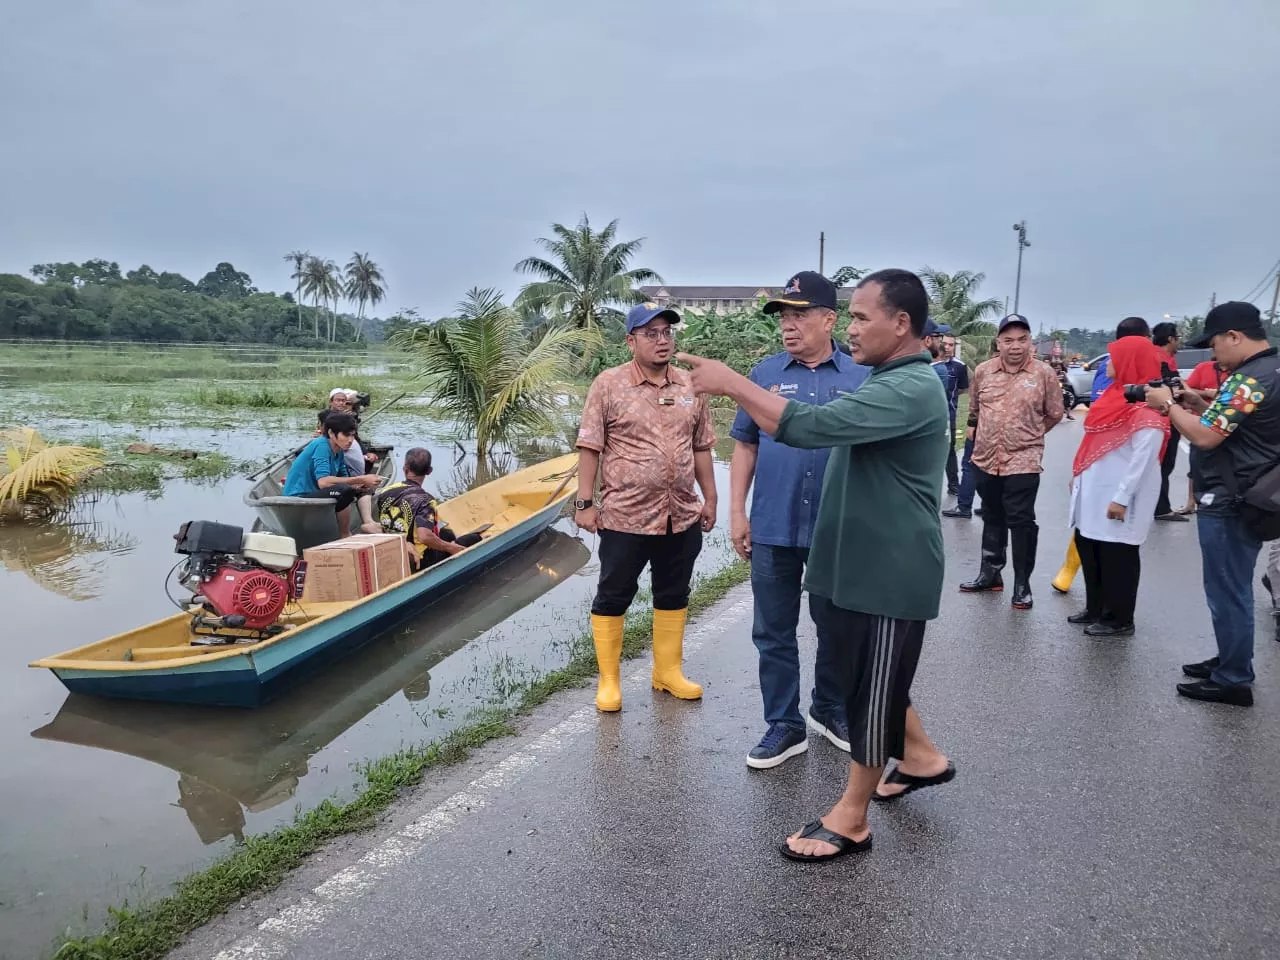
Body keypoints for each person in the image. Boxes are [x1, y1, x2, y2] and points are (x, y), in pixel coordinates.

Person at [678, 268, 954, 862]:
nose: (853, 329)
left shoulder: (908, 387)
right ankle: (924, 758)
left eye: (860, 317)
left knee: (871, 692)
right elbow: (772, 435)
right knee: (864, 671)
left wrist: (730, 383)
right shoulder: (886, 379)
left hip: (887, 572)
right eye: (850, 316)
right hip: (856, 563)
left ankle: (851, 817)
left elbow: (814, 426)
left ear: (901, 323)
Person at [729, 271, 870, 769]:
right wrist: (737, 513)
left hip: (837, 528)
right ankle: (783, 724)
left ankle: (828, 708)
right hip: (773, 524)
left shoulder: (860, 378)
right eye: (784, 316)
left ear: (829, 319)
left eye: (800, 314)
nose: (789, 325)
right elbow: (745, 445)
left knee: (835, 624)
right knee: (773, 629)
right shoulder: (763, 373)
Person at [575, 302, 717, 713]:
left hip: (681, 513)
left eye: (667, 333)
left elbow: (703, 446)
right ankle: (609, 680)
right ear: (630, 340)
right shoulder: (609, 384)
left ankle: (667, 672)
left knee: (673, 592)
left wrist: (711, 497)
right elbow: (590, 446)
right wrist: (585, 503)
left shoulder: (691, 385)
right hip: (625, 515)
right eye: (651, 333)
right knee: (614, 593)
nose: (662, 340)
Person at [1146, 302, 1278, 706]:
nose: (1213, 352)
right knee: (1231, 586)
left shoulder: (1248, 380)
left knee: (1227, 590)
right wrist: (1203, 406)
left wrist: (1166, 405)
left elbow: (1205, 438)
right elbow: (1236, 426)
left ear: (1235, 336)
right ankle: (1231, 657)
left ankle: (1233, 678)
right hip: (1253, 491)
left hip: (1230, 497)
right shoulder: (1269, 372)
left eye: (1216, 343)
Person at [958, 314, 1065, 609]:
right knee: (992, 515)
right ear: (998, 343)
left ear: (1030, 342)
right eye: (1008, 340)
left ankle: (1022, 584)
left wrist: (1031, 435)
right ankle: (990, 574)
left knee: (1020, 520)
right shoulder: (983, 371)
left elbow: (1055, 413)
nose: (1015, 346)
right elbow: (977, 410)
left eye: (1022, 340)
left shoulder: (1043, 374)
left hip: (1024, 459)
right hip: (986, 458)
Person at [1067, 336, 1170, 636]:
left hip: (1121, 497)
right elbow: (1091, 444)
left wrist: (1122, 498)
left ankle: (1119, 618)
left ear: (1130, 362)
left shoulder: (1147, 410)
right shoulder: (1114, 398)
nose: (1108, 364)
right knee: (1090, 546)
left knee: (1118, 556)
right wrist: (1079, 473)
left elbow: (1143, 460)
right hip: (1095, 492)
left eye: (1113, 358)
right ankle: (1096, 608)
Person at [376, 447, 483, 570]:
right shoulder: (425, 500)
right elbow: (424, 536)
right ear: (429, 471)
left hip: (394, 547)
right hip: (420, 559)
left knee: (446, 534)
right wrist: (451, 548)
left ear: (405, 469)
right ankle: (480, 540)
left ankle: (452, 538)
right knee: (474, 538)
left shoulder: (385, 491)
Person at [282, 412, 382, 537]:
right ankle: (345, 534)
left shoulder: (339, 450)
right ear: (330, 433)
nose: (350, 440)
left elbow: (345, 477)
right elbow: (323, 482)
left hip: (315, 493)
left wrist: (358, 485)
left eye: (352, 435)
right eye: (346, 435)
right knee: (344, 491)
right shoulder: (322, 445)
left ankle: (365, 524)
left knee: (356, 488)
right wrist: (360, 478)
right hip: (299, 497)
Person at [943, 338, 996, 520]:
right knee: (993, 465)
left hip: (982, 426)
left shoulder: (983, 370)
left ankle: (964, 505)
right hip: (1002, 431)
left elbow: (974, 400)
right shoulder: (1023, 374)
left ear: (991, 350)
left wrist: (972, 424)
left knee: (970, 464)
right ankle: (990, 505)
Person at [1173, 358, 1230, 515]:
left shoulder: (1241, 373)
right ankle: (1191, 502)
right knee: (1196, 464)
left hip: (1228, 425)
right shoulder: (1203, 368)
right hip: (1203, 422)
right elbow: (1187, 390)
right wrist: (1208, 393)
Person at [1151, 322, 1187, 521]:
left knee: (1160, 463)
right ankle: (1161, 507)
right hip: (1164, 415)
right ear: (1171, 339)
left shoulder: (1160, 357)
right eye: (1177, 338)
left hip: (1160, 415)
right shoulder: (1161, 358)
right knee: (1164, 463)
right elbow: (1171, 387)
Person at [941, 334, 971, 494]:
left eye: (950, 345)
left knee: (949, 449)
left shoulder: (959, 366)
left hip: (949, 415)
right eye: (944, 344)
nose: (947, 347)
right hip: (929, 416)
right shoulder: (929, 363)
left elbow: (963, 389)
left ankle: (953, 484)